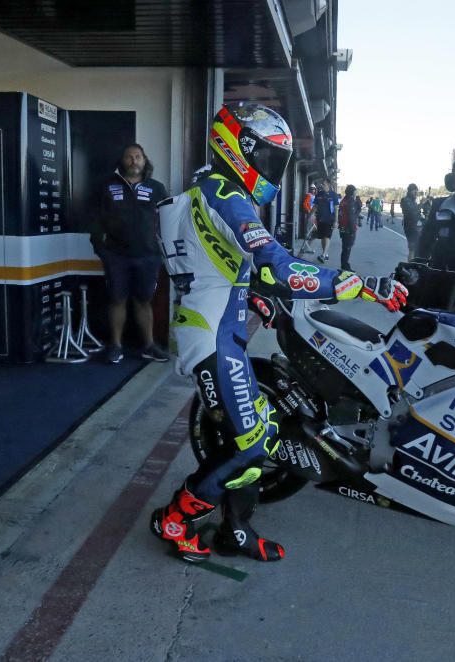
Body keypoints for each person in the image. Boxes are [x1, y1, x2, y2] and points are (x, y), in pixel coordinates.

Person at [151, 102, 407, 564]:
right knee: (252, 443)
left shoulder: (214, 188)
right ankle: (175, 518)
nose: (272, 168)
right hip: (210, 336)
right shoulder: (224, 194)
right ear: (239, 148)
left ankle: (236, 529)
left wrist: (250, 295)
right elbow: (278, 267)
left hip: (218, 328)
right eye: (267, 157)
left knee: (253, 436)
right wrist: (361, 284)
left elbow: (213, 265)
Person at [90, 143, 170, 364]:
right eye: (129, 157)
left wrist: (164, 250)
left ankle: (149, 346)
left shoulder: (157, 188)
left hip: (148, 255)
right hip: (116, 255)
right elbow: (95, 219)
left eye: (138, 156)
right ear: (122, 161)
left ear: (145, 161)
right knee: (117, 299)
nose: (134, 160)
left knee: (144, 301)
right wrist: (99, 247)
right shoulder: (106, 186)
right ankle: (115, 346)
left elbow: (167, 220)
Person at [313, 177, 340, 263]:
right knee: (322, 237)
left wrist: (336, 221)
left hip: (329, 220)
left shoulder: (334, 195)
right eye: (322, 184)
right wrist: (310, 216)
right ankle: (326, 253)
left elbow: (336, 209)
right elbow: (315, 206)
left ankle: (323, 254)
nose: (322, 185)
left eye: (323, 184)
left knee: (327, 236)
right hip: (320, 219)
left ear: (328, 184)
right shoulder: (319, 194)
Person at [338, 184, 360, 270]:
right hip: (348, 228)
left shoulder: (344, 200)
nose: (355, 193)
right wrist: (353, 229)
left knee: (345, 248)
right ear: (352, 192)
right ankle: (345, 267)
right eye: (355, 191)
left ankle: (344, 265)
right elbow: (351, 216)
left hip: (343, 227)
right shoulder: (350, 201)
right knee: (347, 248)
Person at [401, 183, 422, 260]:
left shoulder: (413, 201)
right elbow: (412, 212)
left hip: (415, 226)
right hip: (410, 227)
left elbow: (417, 213)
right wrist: (421, 204)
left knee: (416, 248)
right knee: (412, 249)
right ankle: (410, 266)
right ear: (410, 191)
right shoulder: (405, 200)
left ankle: (413, 264)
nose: (416, 193)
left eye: (417, 191)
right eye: (414, 191)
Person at [297, 183, 317, 255]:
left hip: (313, 213)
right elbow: (305, 203)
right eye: (312, 189)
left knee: (312, 226)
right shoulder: (309, 195)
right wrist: (308, 211)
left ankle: (308, 237)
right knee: (309, 226)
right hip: (310, 213)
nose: (313, 190)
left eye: (314, 189)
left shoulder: (314, 196)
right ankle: (307, 237)